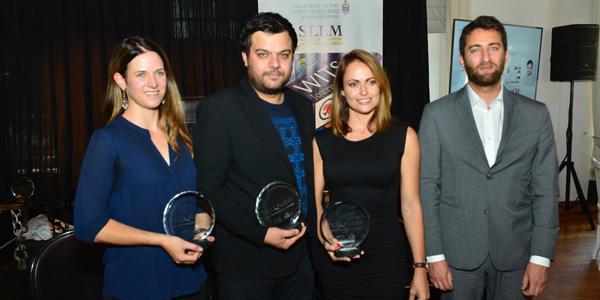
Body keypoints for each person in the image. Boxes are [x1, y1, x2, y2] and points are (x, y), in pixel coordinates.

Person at [419, 16, 559, 299]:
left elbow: (546, 192)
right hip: (456, 255)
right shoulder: (436, 115)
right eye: (475, 49)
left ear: (506, 55)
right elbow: (427, 187)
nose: (485, 57)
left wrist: (541, 258)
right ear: (462, 60)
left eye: (493, 48)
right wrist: (433, 256)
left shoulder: (537, 115)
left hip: (516, 253)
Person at [74, 36, 209, 299]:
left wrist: (201, 224)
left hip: (190, 283)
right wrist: (160, 240)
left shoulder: (180, 137)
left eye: (159, 73)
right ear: (121, 81)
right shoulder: (108, 140)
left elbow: (189, 199)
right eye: (141, 74)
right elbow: (90, 225)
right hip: (136, 284)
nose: (154, 83)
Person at [193, 12, 314, 300]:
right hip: (246, 265)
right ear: (246, 57)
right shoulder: (219, 109)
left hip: (302, 262)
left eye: (283, 54)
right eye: (263, 54)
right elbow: (210, 189)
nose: (275, 64)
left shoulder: (303, 105)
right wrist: (261, 233)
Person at [313, 49, 429, 300]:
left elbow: (410, 206)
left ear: (381, 86)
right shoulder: (322, 140)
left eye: (371, 82)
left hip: (387, 260)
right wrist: (328, 241)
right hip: (338, 259)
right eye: (354, 84)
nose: (363, 92)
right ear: (342, 92)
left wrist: (420, 268)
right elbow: (314, 204)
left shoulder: (404, 136)